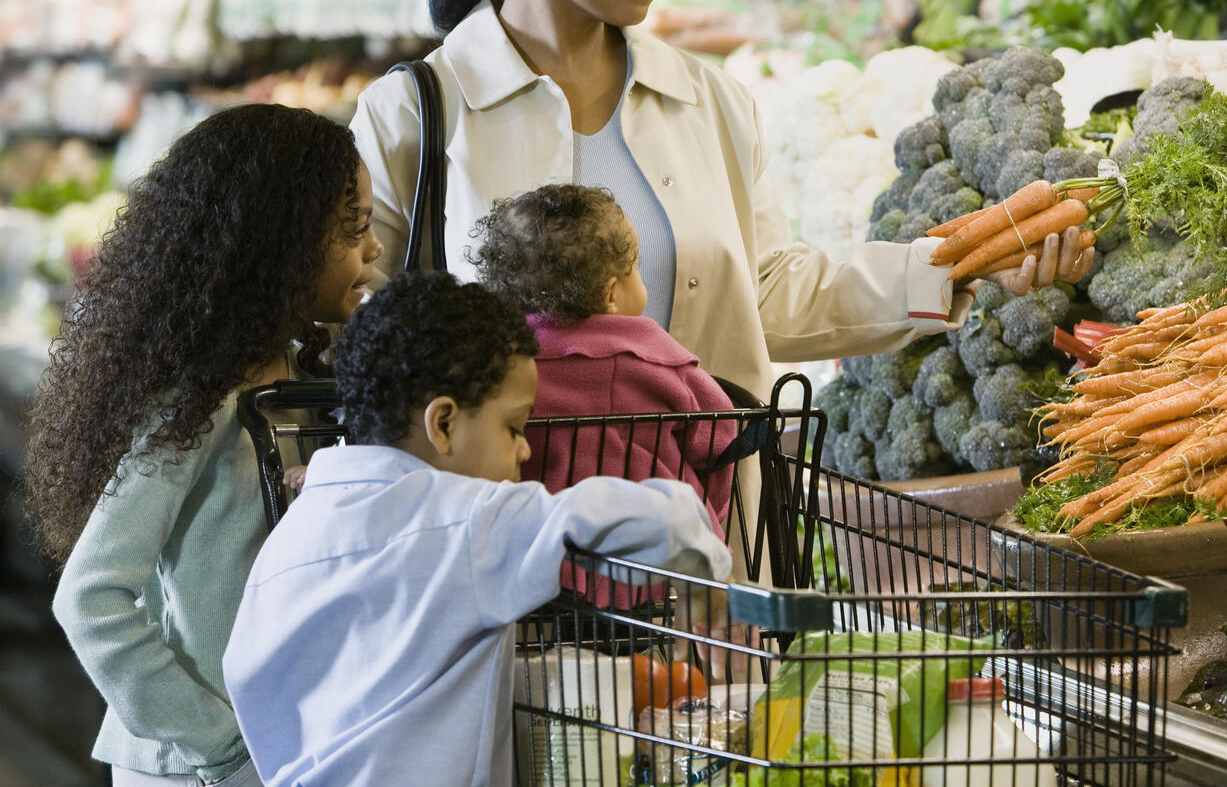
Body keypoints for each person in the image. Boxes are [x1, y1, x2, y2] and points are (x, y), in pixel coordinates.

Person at [349, 0, 1092, 408]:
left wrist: (958, 267)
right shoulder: (413, 114)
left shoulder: (705, 100)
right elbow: (360, 336)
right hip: (504, 546)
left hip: (699, 532)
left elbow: (766, 294)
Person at [221, 270, 731, 787]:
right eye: (513, 427)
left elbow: (249, 678)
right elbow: (661, 517)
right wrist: (700, 570)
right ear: (442, 424)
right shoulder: (469, 519)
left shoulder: (293, 533)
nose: (526, 449)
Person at [26, 104, 384, 787]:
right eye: (354, 228)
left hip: (279, 751)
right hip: (195, 768)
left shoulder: (302, 372)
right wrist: (218, 743)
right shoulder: (199, 400)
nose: (371, 250)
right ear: (280, 243)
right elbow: (92, 597)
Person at [474, 183, 737, 531]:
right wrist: (711, 514)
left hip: (542, 542)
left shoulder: (500, 363)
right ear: (611, 294)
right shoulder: (655, 356)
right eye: (636, 268)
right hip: (659, 548)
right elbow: (720, 434)